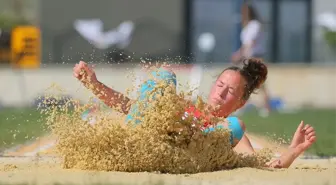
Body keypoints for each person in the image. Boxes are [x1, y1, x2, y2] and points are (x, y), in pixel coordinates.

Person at [72, 58, 316, 169]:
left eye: (230, 91)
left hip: (181, 159)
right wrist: (94, 84)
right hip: (145, 144)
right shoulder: (180, 105)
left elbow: (259, 163)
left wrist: (292, 152)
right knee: (164, 75)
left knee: (236, 125)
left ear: (241, 102)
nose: (221, 93)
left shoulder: (231, 128)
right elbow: (131, 107)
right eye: (220, 85)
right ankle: (136, 143)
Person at [231, 3, 271, 117]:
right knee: (246, 82)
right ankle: (243, 105)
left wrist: (239, 54)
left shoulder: (255, 25)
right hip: (248, 57)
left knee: (260, 83)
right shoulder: (247, 26)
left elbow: (250, 43)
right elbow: (245, 44)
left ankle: (267, 106)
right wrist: (240, 54)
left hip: (256, 57)